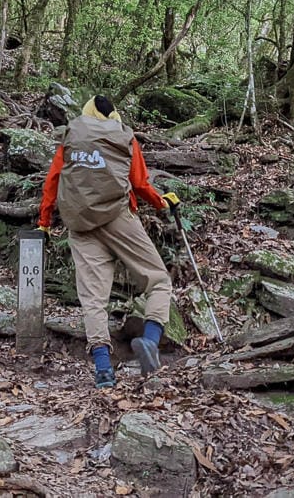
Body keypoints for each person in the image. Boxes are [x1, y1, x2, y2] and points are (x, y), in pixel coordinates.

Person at [37, 94, 180, 388]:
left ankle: (103, 370)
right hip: (118, 218)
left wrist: (44, 222)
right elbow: (140, 183)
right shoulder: (123, 137)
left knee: (93, 299)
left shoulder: (72, 135)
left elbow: (53, 180)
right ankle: (151, 341)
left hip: (80, 224)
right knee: (158, 281)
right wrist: (161, 203)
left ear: (87, 111)